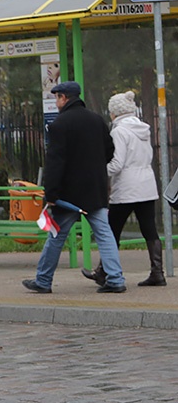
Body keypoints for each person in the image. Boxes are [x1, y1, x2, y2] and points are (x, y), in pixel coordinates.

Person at [23, 81, 126, 295]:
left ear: (64, 98)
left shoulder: (60, 124)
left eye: (57, 98)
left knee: (55, 236)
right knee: (104, 234)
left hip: (68, 195)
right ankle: (116, 279)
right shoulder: (97, 120)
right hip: (96, 190)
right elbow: (110, 151)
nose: (56, 102)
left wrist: (50, 193)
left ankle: (43, 280)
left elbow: (55, 162)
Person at [81, 90, 165, 288]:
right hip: (146, 185)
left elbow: (117, 163)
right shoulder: (144, 129)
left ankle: (104, 271)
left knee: (111, 230)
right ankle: (157, 272)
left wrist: (100, 171)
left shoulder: (119, 131)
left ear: (115, 112)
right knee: (149, 229)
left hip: (127, 187)